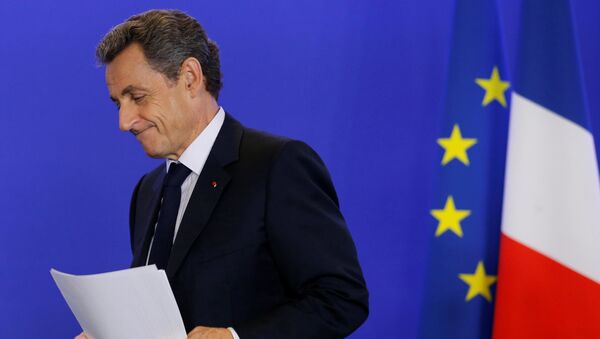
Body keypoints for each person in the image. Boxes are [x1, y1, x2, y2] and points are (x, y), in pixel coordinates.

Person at [81, 9, 368, 339]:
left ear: (190, 77)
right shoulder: (147, 191)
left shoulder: (277, 166)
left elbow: (342, 298)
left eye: (138, 97)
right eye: (118, 103)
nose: (125, 121)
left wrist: (235, 337)